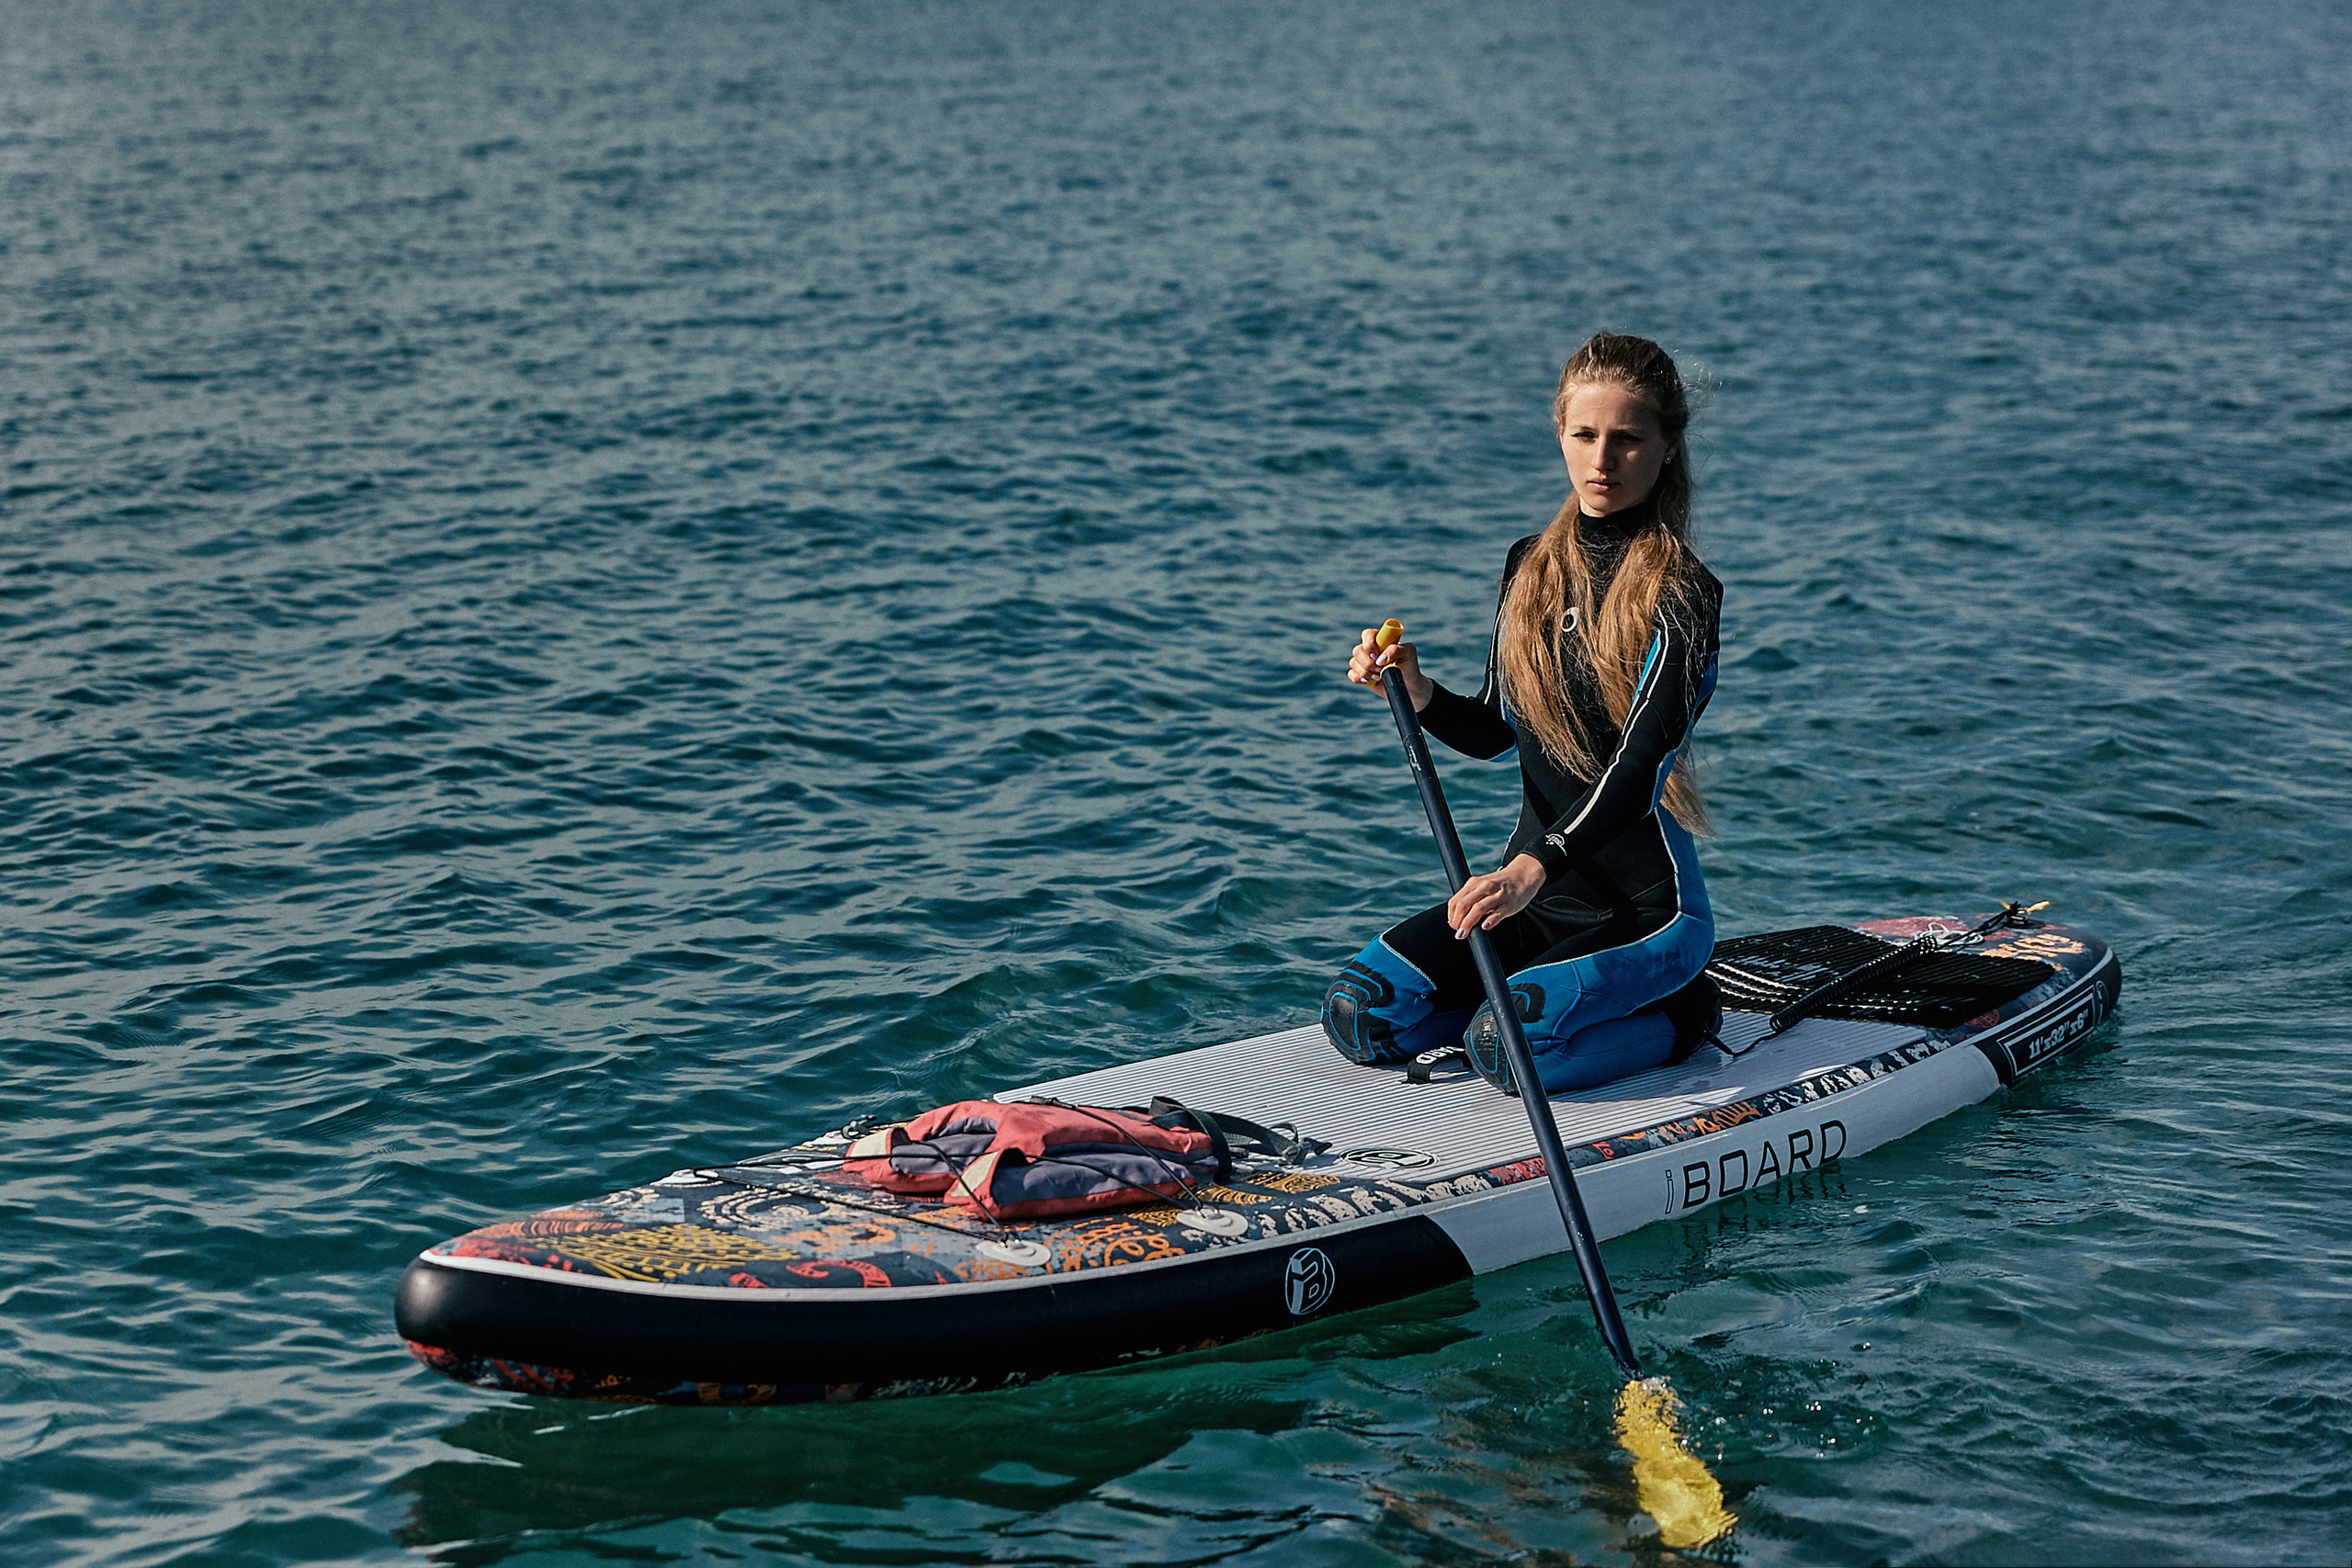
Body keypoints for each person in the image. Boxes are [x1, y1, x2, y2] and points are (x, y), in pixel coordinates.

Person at [1323, 333, 1724, 1096]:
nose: (1602, 459)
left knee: (1507, 1049)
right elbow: (1496, 731)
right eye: (1585, 435)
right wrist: (1417, 693)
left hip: (1647, 914)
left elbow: (1638, 773)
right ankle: (1516, 1012)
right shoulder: (1527, 565)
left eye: (1628, 438)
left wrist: (1529, 867)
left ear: (1669, 446)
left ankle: (1686, 1010)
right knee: (1363, 1013)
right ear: (1561, 435)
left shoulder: (1685, 594)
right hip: (1533, 897)